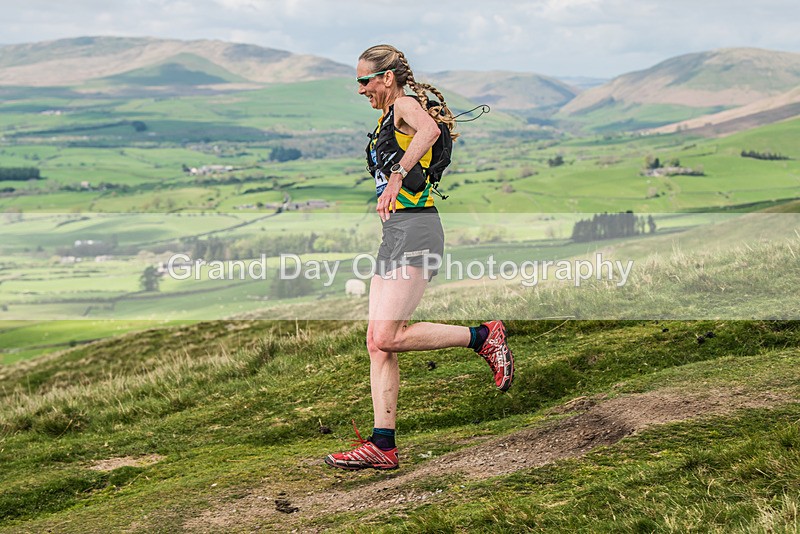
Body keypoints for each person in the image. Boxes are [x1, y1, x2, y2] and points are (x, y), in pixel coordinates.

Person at [324, 44, 514, 471]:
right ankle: (382, 446)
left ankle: (484, 337)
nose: (360, 89)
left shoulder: (406, 105)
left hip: (417, 231)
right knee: (377, 343)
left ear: (386, 77)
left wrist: (395, 177)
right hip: (397, 233)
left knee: (389, 336)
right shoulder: (388, 115)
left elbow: (428, 130)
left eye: (364, 80)